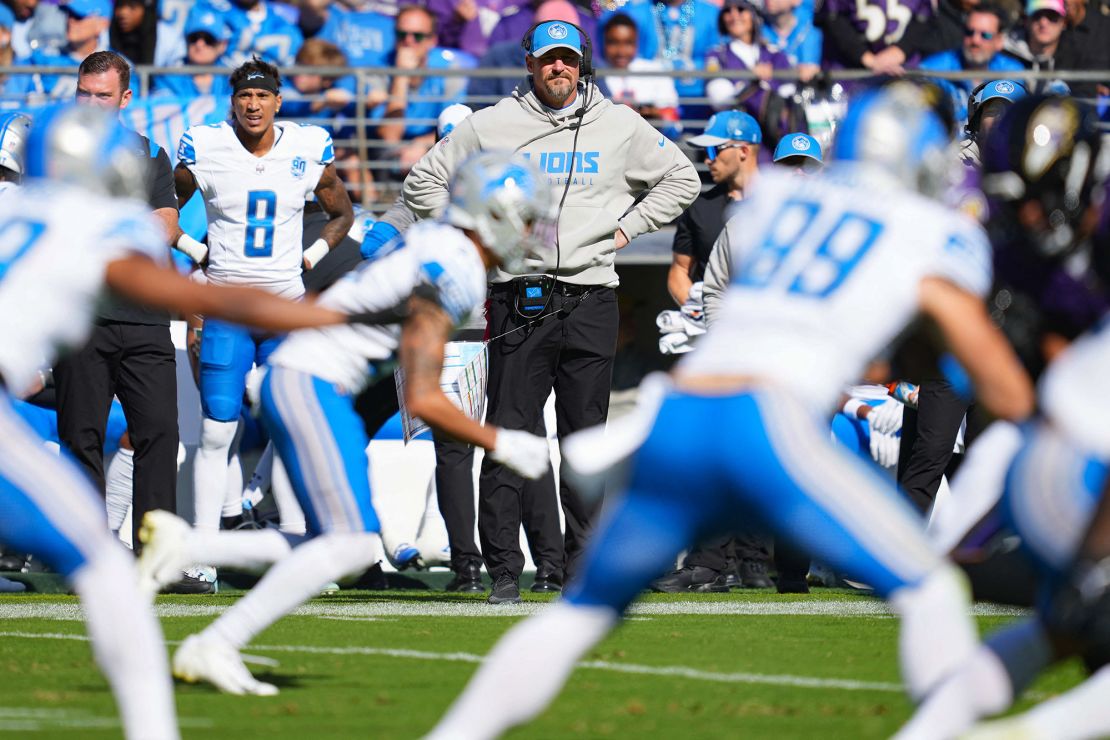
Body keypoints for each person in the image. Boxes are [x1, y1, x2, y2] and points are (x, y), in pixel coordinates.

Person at [424, 85, 1036, 740]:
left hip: (679, 419)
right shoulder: (934, 230)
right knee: (933, 591)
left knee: (579, 614)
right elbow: (1000, 388)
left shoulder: (774, 199)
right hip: (766, 423)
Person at [137, 150, 558, 696]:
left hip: (307, 377)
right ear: (496, 215)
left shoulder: (438, 244)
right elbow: (426, 397)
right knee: (351, 545)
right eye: (524, 216)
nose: (530, 230)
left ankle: (191, 550)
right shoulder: (455, 268)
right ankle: (215, 642)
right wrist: (500, 440)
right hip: (311, 381)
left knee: (334, 544)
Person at [0, 103, 355, 740]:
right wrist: (336, 320)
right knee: (105, 573)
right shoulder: (86, 227)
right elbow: (197, 295)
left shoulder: (10, 209)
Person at [399, 19, 701, 604]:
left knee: (586, 443)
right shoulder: (491, 124)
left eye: (566, 58)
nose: (557, 68)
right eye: (547, 60)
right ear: (529, 64)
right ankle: (504, 573)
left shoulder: (618, 122)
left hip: (592, 296)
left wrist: (627, 228)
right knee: (509, 435)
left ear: (582, 62)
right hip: (520, 297)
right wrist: (475, 236)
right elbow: (423, 182)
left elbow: (681, 178)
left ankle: (582, 571)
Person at [897, 94, 1110, 740]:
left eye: (1037, 196)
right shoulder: (1010, 246)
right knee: (944, 576)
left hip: (1073, 435)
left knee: (1064, 625)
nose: (1028, 215)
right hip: (1061, 443)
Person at [178, 56, 354, 559]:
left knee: (294, 425)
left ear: (278, 101)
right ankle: (204, 555)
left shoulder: (306, 145)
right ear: (232, 104)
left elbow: (341, 212)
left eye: (262, 96)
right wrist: (194, 251)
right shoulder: (204, 146)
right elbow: (161, 208)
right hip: (228, 307)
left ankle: (299, 544)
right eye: (243, 97)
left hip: (284, 308)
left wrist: (311, 255)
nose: (252, 104)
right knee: (216, 431)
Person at [47, 51, 184, 564]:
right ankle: (89, 555)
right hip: (80, 318)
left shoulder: (150, 155)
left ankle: (156, 558)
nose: (90, 103)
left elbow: (167, 226)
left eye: (102, 95)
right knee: (79, 438)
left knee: (159, 433)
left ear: (125, 98)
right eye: (84, 93)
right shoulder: (54, 155)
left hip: (144, 317)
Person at [917, 4, 1025, 124]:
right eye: (969, 32)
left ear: (999, 41)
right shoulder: (933, 69)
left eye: (985, 35)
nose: (975, 40)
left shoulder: (1012, 73)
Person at [599, 13, 681, 140]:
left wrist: (657, 117)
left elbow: (675, 126)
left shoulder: (655, 71)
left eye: (628, 43)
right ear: (603, 42)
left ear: (637, 43)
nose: (621, 51)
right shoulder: (594, 74)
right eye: (613, 42)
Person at [150, 6, 233, 100]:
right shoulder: (168, 79)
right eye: (194, 38)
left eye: (209, 39)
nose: (199, 44)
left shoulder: (231, 81)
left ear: (222, 45)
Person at [959, 78, 1025, 165]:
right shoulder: (958, 164)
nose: (999, 120)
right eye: (993, 112)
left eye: (1009, 113)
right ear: (978, 120)